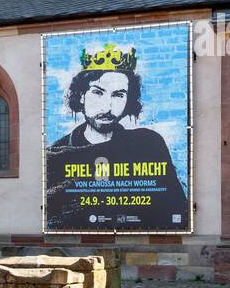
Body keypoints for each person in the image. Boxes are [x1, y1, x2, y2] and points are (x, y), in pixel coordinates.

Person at [45, 41, 187, 230]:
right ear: (81, 96)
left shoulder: (149, 144)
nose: (107, 107)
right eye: (98, 93)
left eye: (118, 95)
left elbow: (175, 208)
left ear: (128, 99)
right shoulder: (56, 155)